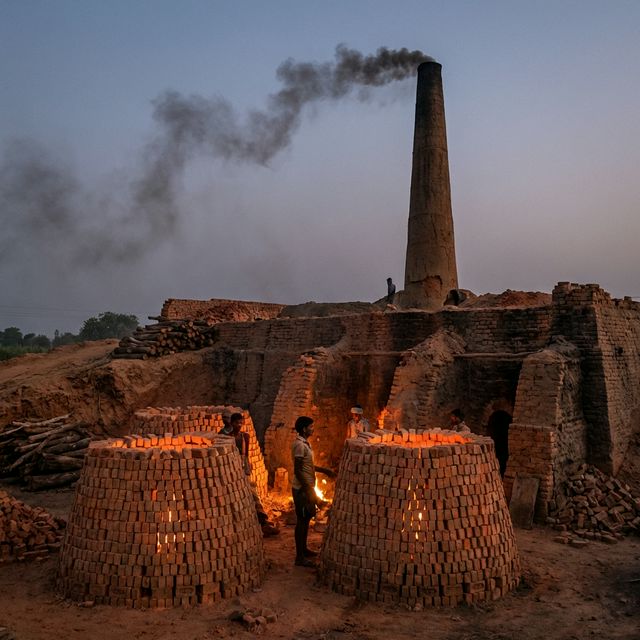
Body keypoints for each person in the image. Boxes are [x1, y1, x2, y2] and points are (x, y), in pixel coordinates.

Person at [220, 412, 279, 536]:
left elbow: (245, 456)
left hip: (242, 469)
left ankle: (262, 521)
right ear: (231, 423)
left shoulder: (245, 437)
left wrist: (247, 469)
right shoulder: (225, 437)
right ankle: (261, 523)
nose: (239, 425)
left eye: (241, 422)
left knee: (252, 493)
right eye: (236, 423)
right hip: (230, 470)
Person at [291, 416, 335, 567]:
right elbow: (297, 470)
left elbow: (308, 465)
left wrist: (324, 470)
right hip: (302, 489)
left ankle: (304, 550)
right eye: (311, 426)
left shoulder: (305, 444)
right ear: (304, 429)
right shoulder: (299, 445)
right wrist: (308, 488)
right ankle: (299, 557)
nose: (312, 429)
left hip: (306, 487)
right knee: (302, 522)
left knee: (307, 519)